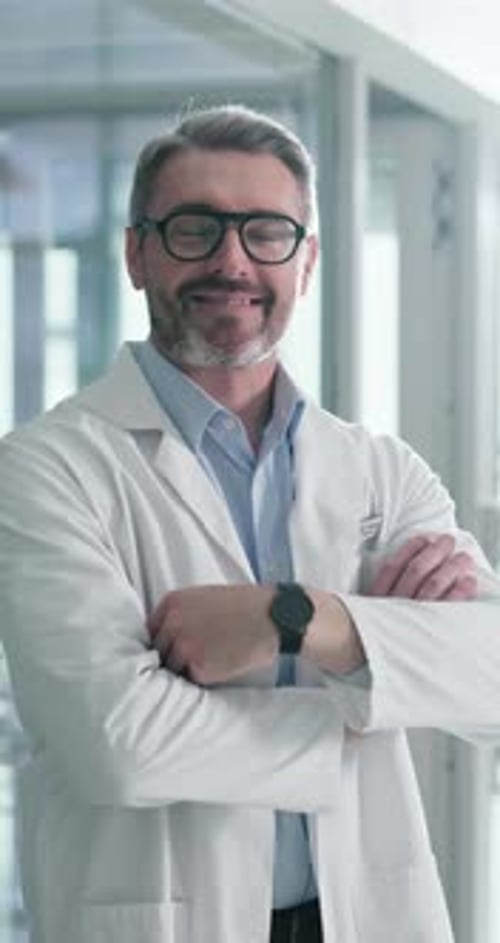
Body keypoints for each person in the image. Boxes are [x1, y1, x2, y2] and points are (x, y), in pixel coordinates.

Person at [0, 105, 498, 943]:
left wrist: (301, 617)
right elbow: (119, 743)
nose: (231, 260)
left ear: (307, 262)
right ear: (136, 252)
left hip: (369, 915)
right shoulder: (47, 469)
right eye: (195, 227)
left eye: (266, 231)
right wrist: (371, 688)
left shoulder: (382, 471)